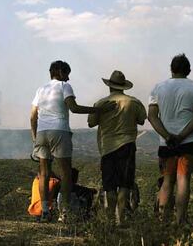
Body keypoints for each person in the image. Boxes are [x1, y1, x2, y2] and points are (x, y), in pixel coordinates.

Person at [30, 60, 115, 222]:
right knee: (66, 173)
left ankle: (45, 211)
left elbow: (33, 115)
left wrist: (35, 138)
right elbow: (74, 108)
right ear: (61, 72)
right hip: (59, 130)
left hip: (41, 132)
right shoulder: (64, 86)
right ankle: (64, 213)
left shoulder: (41, 89)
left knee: (44, 173)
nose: (68, 79)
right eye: (67, 74)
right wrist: (100, 110)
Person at [148, 53, 193, 224]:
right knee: (183, 179)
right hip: (190, 142)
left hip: (167, 144)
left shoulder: (157, 88)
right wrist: (181, 136)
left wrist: (167, 136)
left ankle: (161, 221)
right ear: (188, 70)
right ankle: (180, 221)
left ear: (171, 69)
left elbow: (152, 116)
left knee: (167, 181)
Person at [87, 70, 147, 224]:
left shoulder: (101, 103)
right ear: (124, 87)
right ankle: (121, 219)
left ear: (109, 86)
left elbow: (91, 123)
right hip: (127, 146)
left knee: (110, 186)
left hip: (107, 148)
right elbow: (141, 120)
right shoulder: (134, 102)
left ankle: (109, 220)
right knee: (125, 184)